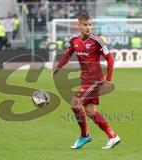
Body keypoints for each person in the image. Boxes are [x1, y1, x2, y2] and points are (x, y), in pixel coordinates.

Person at [51, 14, 121, 149]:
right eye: (85, 25)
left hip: (95, 80)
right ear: (79, 25)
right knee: (90, 111)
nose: (88, 27)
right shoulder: (74, 40)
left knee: (75, 104)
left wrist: (108, 80)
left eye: (90, 24)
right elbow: (67, 55)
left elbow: (110, 60)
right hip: (85, 80)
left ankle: (85, 135)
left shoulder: (97, 40)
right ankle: (113, 136)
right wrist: (57, 67)